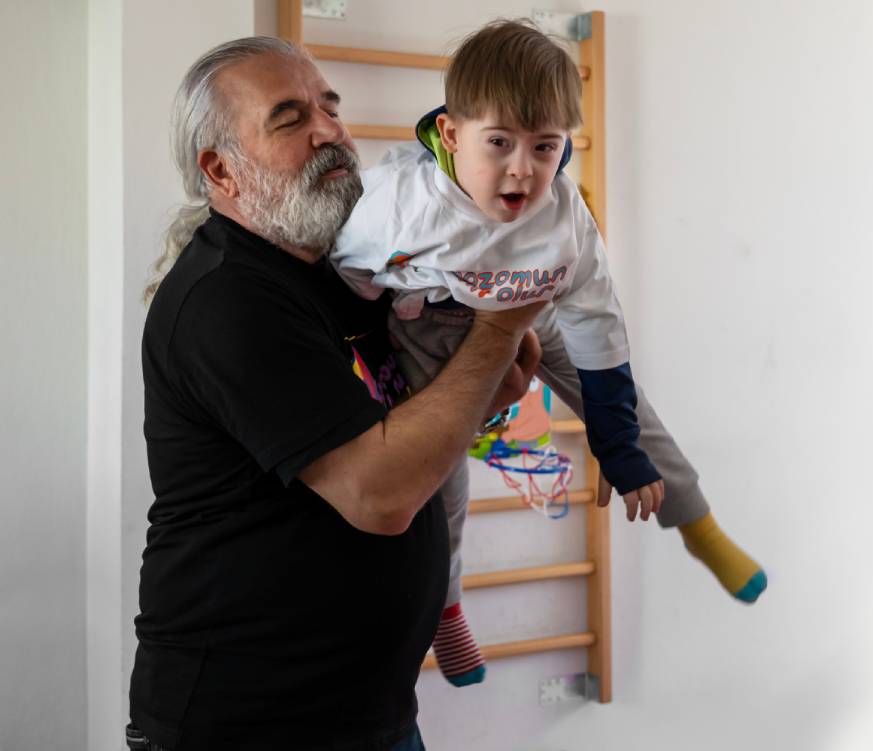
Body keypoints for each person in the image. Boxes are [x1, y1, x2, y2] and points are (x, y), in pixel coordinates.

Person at [129, 36, 544, 751]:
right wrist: (499, 326)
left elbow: (411, 412)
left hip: (368, 717)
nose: (328, 130)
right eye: (289, 119)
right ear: (220, 169)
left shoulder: (343, 269)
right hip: (248, 729)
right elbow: (378, 494)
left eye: (329, 107)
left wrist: (488, 378)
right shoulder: (228, 299)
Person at [331, 19, 768, 688]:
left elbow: (599, 327)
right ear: (450, 135)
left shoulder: (563, 215)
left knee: (634, 417)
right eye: (499, 143)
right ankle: (448, 606)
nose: (522, 169)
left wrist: (618, 444)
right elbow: (350, 282)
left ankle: (698, 523)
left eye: (545, 146)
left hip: (527, 307)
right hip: (423, 326)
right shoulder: (401, 206)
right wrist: (380, 367)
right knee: (440, 471)